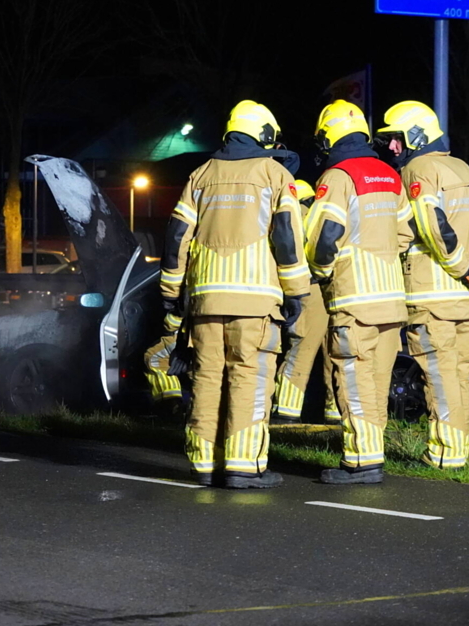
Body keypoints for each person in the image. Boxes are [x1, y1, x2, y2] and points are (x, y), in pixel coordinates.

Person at [160, 100, 309, 489]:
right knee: (250, 378)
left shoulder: (200, 175)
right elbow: (287, 238)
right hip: (256, 302)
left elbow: (177, 237)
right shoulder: (274, 174)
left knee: (207, 379)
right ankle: (244, 467)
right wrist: (296, 292)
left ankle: (203, 464)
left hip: (205, 301)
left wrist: (171, 291)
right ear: (264, 135)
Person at [376, 100, 469, 470]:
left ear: (416, 135)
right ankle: (457, 451)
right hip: (465, 300)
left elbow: (433, 226)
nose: (393, 147)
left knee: (440, 378)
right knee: (459, 376)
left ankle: (445, 454)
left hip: (431, 296)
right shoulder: (462, 167)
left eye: (397, 138)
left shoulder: (416, 169)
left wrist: (462, 267)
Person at [305, 100, 414, 484]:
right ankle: (373, 453)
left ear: (328, 136)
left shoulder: (338, 177)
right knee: (377, 381)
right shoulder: (390, 175)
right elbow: (405, 234)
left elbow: (325, 239)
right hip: (392, 301)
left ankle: (361, 462)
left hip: (354, 299)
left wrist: (321, 273)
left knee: (353, 379)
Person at [271, 179, 341, 425]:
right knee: (335, 350)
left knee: (302, 348)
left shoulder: (291, 215)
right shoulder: (314, 214)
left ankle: (286, 408)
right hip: (328, 287)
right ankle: (335, 410)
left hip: (309, 289)